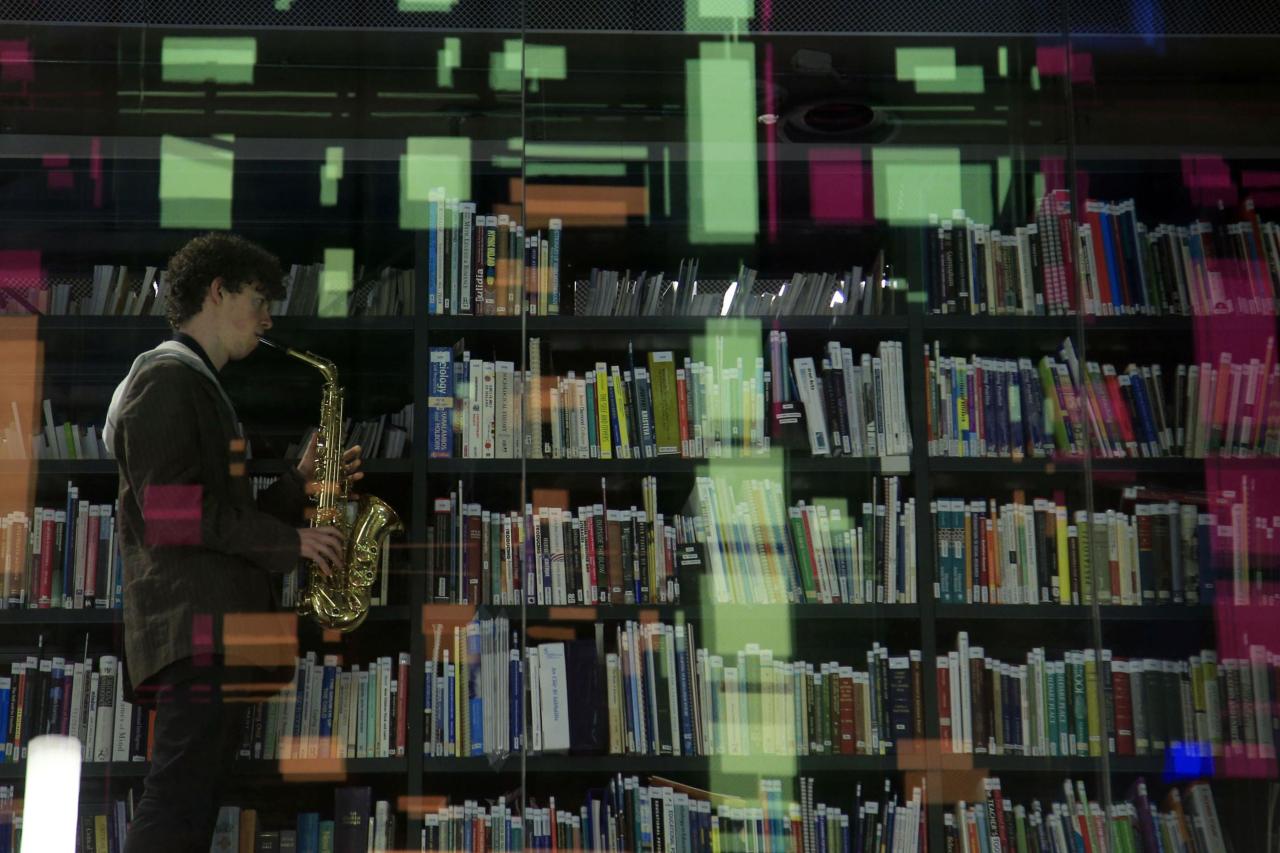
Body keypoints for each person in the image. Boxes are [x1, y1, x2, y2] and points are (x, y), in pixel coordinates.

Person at [102, 232, 363, 852]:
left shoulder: (193, 385)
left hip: (209, 633)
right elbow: (170, 511)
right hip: (197, 633)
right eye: (257, 298)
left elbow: (212, 516)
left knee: (188, 807)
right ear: (216, 292)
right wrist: (292, 544)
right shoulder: (166, 380)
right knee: (176, 804)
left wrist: (299, 485)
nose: (268, 317)